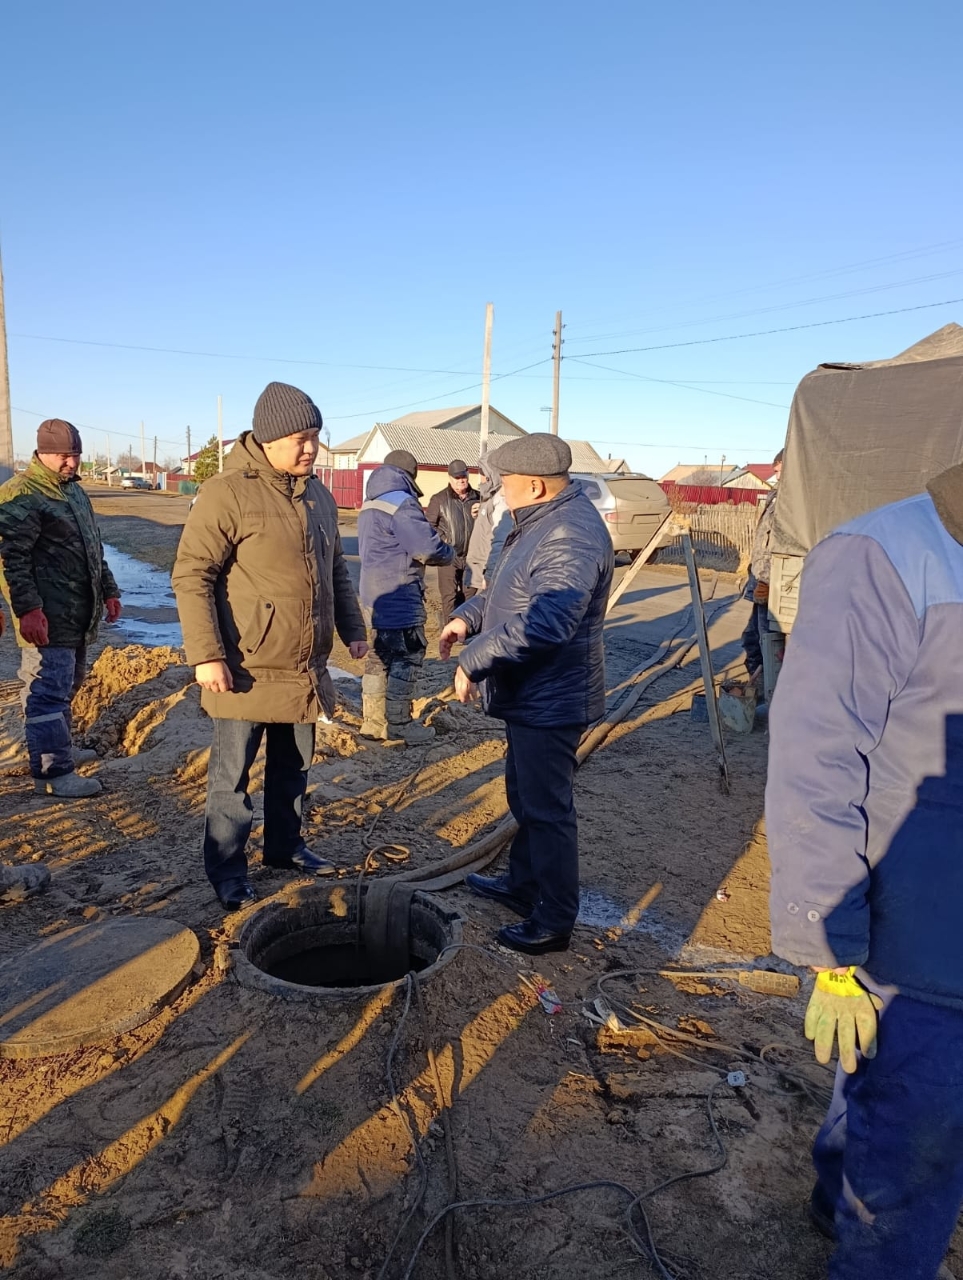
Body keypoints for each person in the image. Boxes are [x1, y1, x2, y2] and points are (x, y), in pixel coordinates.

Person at [767, 458, 963, 1280]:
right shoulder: (885, 552)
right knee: (913, 1158)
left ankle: (832, 1200)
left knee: (882, 1095)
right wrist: (828, 940)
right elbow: (816, 751)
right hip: (922, 933)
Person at [172, 382, 367, 911]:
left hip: (304, 665)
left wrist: (353, 629)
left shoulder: (319, 496)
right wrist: (206, 654)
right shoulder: (227, 492)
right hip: (244, 665)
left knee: (294, 767)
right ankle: (228, 870)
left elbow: (335, 575)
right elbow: (192, 574)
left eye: (316, 437)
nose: (311, 448)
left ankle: (285, 848)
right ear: (269, 437)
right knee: (231, 779)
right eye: (301, 438)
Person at [439, 434, 613, 956]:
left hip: (552, 696)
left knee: (547, 809)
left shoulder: (569, 534)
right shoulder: (538, 522)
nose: (498, 492)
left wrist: (476, 659)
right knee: (525, 796)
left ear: (534, 484)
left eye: (505, 484)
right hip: (532, 692)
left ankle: (554, 920)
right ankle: (522, 885)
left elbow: (547, 622)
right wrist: (465, 619)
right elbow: (505, 592)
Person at [0, 419, 121, 798]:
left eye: (75, 454)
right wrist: (28, 610)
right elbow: (10, 558)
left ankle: (58, 750)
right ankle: (52, 772)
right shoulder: (23, 493)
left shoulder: (73, 492)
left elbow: (92, 550)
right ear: (42, 452)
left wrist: (110, 590)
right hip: (46, 617)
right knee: (47, 690)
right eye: (63, 455)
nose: (71, 462)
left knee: (66, 686)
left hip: (76, 614)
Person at [358, 449, 453, 745]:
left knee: (377, 657)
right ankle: (399, 724)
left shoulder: (371, 501)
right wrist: (448, 552)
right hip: (400, 592)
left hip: (371, 594)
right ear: (410, 475)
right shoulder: (402, 503)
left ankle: (373, 724)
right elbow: (426, 548)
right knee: (406, 656)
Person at [742, 447, 784, 685]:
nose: (776, 476)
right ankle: (758, 690)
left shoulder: (790, 499)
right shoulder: (777, 495)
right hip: (759, 580)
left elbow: (779, 542)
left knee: (768, 643)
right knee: (751, 640)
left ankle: (772, 696)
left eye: (779, 470)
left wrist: (767, 580)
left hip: (770, 584)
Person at [425, 459, 480, 621]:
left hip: (471, 555)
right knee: (449, 596)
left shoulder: (478, 498)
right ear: (449, 478)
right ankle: (449, 630)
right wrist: (445, 540)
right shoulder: (439, 499)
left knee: (470, 593)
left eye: (463, 476)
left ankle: (466, 626)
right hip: (448, 556)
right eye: (457, 477)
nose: (461, 480)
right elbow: (428, 526)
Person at [464, 456, 512, 592]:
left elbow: (500, 539)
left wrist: (490, 573)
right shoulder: (490, 498)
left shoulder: (501, 501)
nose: (481, 480)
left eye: (482, 475)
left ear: (491, 475)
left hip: (486, 570)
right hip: (479, 568)